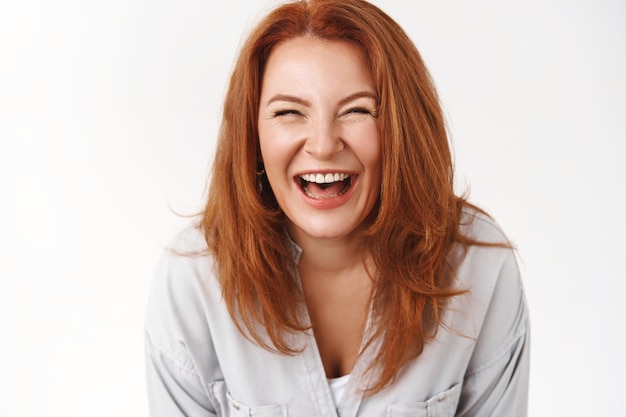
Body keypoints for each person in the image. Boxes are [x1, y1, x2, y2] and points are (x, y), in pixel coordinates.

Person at [144, 0, 530, 416]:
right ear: (252, 136)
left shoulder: (479, 266)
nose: (324, 144)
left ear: (403, 130)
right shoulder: (193, 279)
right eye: (290, 112)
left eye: (357, 111)